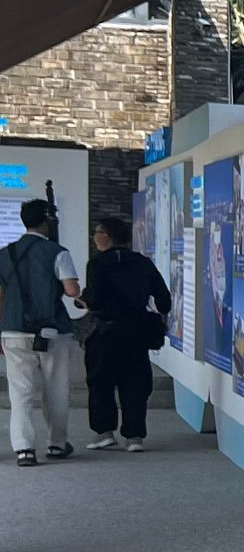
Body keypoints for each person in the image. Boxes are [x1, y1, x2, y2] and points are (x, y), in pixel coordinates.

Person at [2, 199, 86, 465]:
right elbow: (71, 290)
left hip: (13, 330)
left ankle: (24, 449)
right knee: (56, 390)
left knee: (20, 393)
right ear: (47, 222)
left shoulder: (4, 254)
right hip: (52, 330)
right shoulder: (57, 252)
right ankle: (57, 444)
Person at [82, 213, 170, 452]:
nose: (94, 238)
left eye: (97, 233)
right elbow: (164, 300)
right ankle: (135, 437)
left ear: (107, 236)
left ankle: (104, 433)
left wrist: (85, 300)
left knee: (100, 382)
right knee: (135, 384)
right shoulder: (143, 263)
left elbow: (95, 299)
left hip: (105, 332)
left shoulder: (97, 264)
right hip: (136, 332)